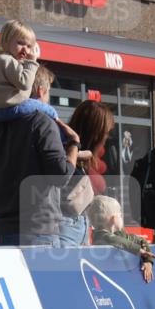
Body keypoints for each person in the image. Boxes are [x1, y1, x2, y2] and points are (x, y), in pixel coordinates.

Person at [0, 86, 78, 247]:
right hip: (37, 232)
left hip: (1, 231)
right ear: (40, 90)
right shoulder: (41, 122)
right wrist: (74, 144)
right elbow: (61, 175)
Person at [60, 100, 114, 248]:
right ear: (96, 133)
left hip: (81, 228)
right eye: (106, 132)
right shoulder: (68, 156)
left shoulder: (88, 159)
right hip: (66, 229)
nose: (107, 137)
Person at [86, 195, 155, 283]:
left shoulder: (120, 235)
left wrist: (148, 261)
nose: (121, 217)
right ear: (114, 219)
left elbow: (141, 241)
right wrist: (140, 251)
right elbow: (116, 241)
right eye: (120, 215)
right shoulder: (100, 236)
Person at [0, 19, 39, 113]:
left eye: (29, 46)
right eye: (20, 43)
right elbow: (24, 84)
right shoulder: (8, 60)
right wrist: (32, 62)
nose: (25, 49)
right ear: (5, 41)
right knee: (48, 109)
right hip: (10, 108)